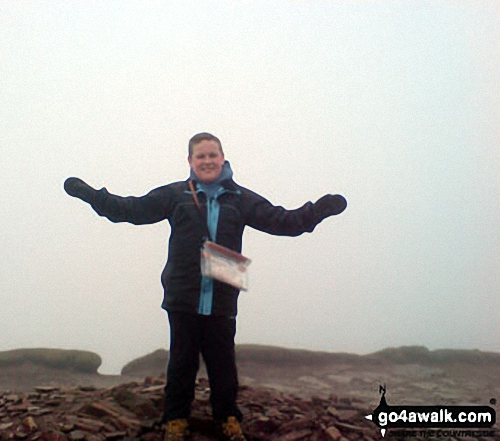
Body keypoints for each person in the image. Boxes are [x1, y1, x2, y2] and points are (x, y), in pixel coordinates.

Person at [64, 132, 347, 441]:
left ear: (223, 158)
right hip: (182, 296)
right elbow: (130, 210)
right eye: (201, 156)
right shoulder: (174, 195)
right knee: (182, 362)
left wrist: (317, 211)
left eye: (213, 155)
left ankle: (227, 417)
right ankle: (175, 419)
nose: (208, 160)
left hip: (223, 296)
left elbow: (283, 222)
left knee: (223, 364)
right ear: (190, 161)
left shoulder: (240, 198)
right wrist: (93, 196)